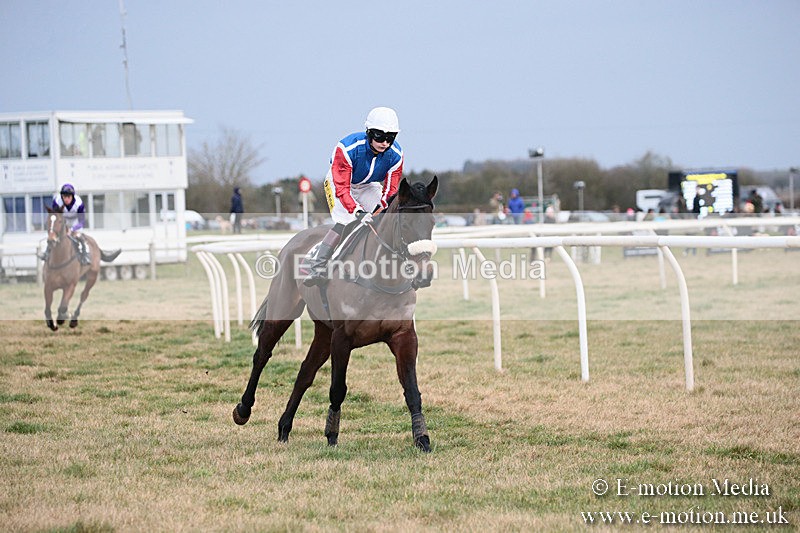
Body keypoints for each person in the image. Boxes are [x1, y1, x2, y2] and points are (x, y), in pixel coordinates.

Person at [303, 106, 403, 286]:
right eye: (380, 136)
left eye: (390, 138)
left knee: (387, 217)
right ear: (369, 132)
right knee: (347, 220)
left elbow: (391, 191)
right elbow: (342, 189)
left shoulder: (396, 155)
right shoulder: (347, 148)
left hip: (368, 186)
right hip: (340, 184)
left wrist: (380, 210)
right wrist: (357, 212)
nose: (385, 143)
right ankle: (318, 264)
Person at [39, 183, 89, 264]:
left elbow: (82, 222)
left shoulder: (79, 204)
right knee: (53, 235)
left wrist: (72, 229)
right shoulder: (57, 201)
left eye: (69, 197)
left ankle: (85, 255)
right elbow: (55, 216)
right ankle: (47, 253)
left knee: (78, 236)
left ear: (72, 196)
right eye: (64, 196)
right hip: (63, 220)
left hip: (75, 221)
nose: (66, 199)